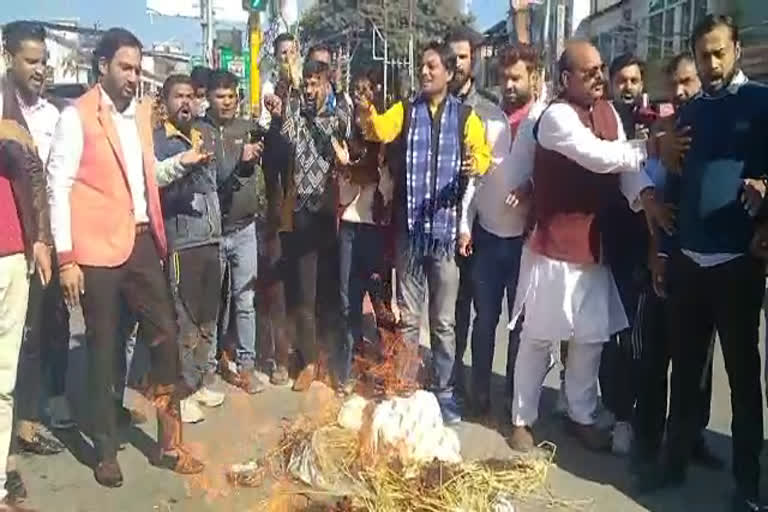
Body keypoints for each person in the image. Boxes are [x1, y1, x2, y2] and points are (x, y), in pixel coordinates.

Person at [46, 27, 204, 487]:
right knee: (103, 349)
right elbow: (57, 188)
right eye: (126, 67)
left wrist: (181, 165)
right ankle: (105, 449)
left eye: (138, 68)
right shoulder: (76, 117)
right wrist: (67, 259)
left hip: (139, 244)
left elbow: (143, 174)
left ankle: (170, 443)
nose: (135, 76)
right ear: (103, 66)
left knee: (165, 337)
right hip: (94, 251)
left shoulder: (139, 117)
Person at [640, 16, 768, 512]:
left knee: (742, 377)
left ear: (736, 48)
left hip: (738, 263)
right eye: (702, 55)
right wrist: (664, 253)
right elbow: (671, 184)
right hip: (689, 263)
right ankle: (672, 465)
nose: (711, 64)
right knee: (687, 372)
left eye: (718, 52)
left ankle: (747, 485)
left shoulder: (759, 104)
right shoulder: (688, 113)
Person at [507, 40, 660, 453]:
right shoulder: (555, 116)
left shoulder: (609, 113)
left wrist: (645, 194)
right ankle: (523, 418)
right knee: (538, 337)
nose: (598, 76)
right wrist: (652, 147)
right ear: (564, 79)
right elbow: (598, 157)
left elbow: (625, 169)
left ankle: (581, 414)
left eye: (600, 68)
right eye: (588, 70)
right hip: (552, 247)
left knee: (590, 339)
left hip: (595, 248)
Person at [358, 41, 491, 424]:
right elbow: (380, 130)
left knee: (445, 322)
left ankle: (445, 391)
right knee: (410, 319)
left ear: (450, 73)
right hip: (410, 234)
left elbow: (481, 159)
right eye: (422, 66)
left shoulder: (467, 117)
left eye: (432, 66)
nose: (425, 72)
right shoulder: (406, 110)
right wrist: (366, 111)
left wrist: (475, 162)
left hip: (445, 236)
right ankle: (406, 386)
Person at [631, 51, 722, 476]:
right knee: (655, 357)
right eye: (677, 85)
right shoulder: (662, 135)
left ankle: (691, 437)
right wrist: (658, 253)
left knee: (698, 362)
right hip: (664, 260)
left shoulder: (714, 130)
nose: (682, 91)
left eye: (689, 82)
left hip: (705, 265)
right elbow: (653, 197)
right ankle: (647, 442)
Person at [0, 22, 71, 470]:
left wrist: (51, 240)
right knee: (19, 339)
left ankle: (43, 404)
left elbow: (54, 181)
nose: (41, 69)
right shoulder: (7, 111)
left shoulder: (54, 115)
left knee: (49, 325)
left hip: (46, 238)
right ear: (9, 59)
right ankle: (19, 426)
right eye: (32, 61)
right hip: (17, 240)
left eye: (44, 61)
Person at [263, 59, 351, 392]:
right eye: (309, 84)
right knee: (303, 291)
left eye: (318, 84)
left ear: (328, 85)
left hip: (327, 216)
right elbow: (285, 129)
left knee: (329, 294)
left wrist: (335, 89)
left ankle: (331, 361)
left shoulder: (334, 118)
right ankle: (310, 360)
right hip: (300, 215)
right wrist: (290, 93)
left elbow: (341, 124)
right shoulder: (296, 119)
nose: (312, 90)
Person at [443, 26, 512, 416]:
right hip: (441, 225)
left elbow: (496, 168)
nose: (455, 66)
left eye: (462, 58)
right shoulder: (429, 106)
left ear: (474, 60)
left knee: (483, 313)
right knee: (447, 313)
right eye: (449, 58)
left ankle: (479, 388)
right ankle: (447, 383)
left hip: (481, 229)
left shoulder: (489, 112)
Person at [153, 74, 225, 423]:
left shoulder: (202, 135)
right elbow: (160, 188)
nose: (186, 102)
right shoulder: (161, 143)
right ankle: (181, 392)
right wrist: (187, 165)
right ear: (166, 103)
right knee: (185, 321)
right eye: (178, 97)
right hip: (184, 244)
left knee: (208, 319)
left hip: (212, 240)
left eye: (189, 97)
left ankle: (198, 382)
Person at [596, 53, 656, 454]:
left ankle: (631, 415)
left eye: (635, 80)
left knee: (636, 336)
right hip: (606, 242)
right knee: (605, 334)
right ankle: (613, 410)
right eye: (623, 80)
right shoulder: (601, 126)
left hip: (645, 246)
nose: (629, 87)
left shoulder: (656, 126)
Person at [199, 70, 266, 395]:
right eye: (219, 96)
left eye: (230, 96)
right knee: (211, 302)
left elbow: (280, 147)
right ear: (208, 98)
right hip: (211, 231)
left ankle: (247, 365)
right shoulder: (199, 132)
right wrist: (240, 158)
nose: (226, 102)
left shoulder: (248, 128)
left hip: (244, 229)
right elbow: (214, 176)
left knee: (245, 299)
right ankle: (209, 368)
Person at [0, 114, 53, 511]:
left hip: (12, 256)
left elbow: (34, 178)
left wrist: (38, 238)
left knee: (3, 380)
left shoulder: (11, 127)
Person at [331, 70, 393, 393]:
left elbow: (370, 173)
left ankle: (388, 367)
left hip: (377, 229)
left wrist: (348, 167)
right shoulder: (345, 134)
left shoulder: (385, 133)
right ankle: (350, 366)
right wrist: (345, 167)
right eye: (356, 89)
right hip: (351, 227)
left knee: (380, 300)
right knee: (347, 301)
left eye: (367, 89)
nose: (361, 94)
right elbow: (346, 182)